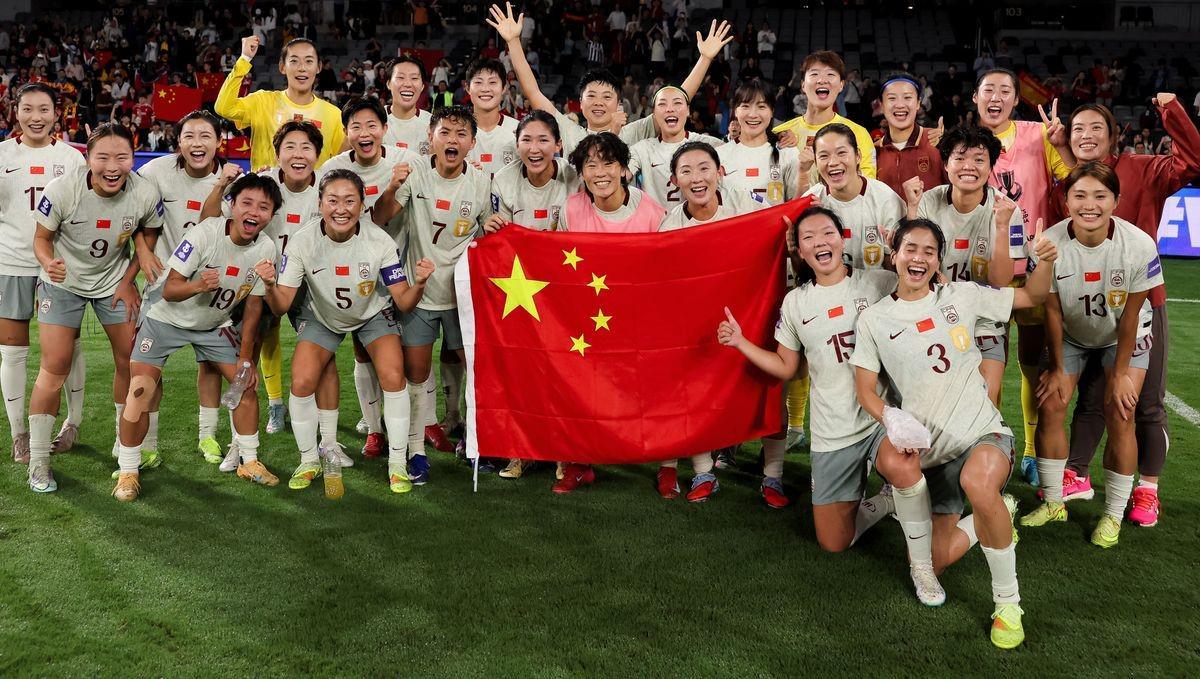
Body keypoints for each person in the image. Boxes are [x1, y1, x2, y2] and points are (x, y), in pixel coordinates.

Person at [852, 217, 1057, 649]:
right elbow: (865, 389)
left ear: (939, 261)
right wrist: (890, 417)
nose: (919, 258)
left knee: (977, 482)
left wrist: (1044, 261)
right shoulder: (874, 319)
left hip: (983, 434)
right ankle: (997, 512)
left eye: (929, 251)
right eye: (910, 249)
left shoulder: (962, 295)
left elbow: (1033, 296)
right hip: (934, 455)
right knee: (936, 560)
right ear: (894, 254)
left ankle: (1008, 605)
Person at [1046, 95, 1200, 524]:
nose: (1086, 135)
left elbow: (1194, 160)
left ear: (1115, 136)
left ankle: (1147, 490)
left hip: (1141, 303)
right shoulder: (1069, 184)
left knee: (1143, 402)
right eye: (1078, 129)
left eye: (1096, 127)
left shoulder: (1144, 168)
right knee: (1092, 397)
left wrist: (1172, 110)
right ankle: (1077, 474)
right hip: (1088, 308)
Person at [720, 205, 897, 546]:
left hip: (879, 420)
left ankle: (921, 557)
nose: (820, 242)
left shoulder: (879, 283)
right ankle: (883, 503)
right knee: (833, 542)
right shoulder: (795, 303)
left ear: (842, 240)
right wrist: (740, 342)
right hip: (833, 429)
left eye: (828, 233)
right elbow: (786, 366)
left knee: (903, 466)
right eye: (809, 237)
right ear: (799, 251)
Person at [261, 169, 434, 493]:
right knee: (301, 381)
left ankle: (397, 464)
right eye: (333, 200)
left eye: (350, 201)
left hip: (372, 313)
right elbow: (281, 305)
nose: (341, 209)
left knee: (393, 376)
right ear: (320, 204)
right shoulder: (302, 241)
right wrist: (270, 285)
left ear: (362, 204)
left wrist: (421, 283)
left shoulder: (379, 241)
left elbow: (403, 301)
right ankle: (309, 460)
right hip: (322, 315)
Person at [1022, 162, 1162, 548]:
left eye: (1100, 196)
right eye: (1080, 195)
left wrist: (1121, 375)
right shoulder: (1049, 244)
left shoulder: (1139, 245)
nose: (1090, 205)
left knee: (1121, 411)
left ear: (1116, 201)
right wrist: (1056, 367)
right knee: (1052, 402)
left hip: (1122, 337)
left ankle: (1113, 514)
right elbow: (1051, 311)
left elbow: (1130, 316)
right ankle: (1054, 502)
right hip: (1071, 335)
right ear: (1065, 201)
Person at [114, 174, 280, 501]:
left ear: (272, 215)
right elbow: (170, 289)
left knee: (244, 386)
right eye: (247, 203)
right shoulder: (205, 233)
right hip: (165, 318)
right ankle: (128, 471)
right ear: (231, 205)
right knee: (140, 389)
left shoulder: (266, 248)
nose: (254, 212)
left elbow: (253, 307)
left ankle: (249, 461)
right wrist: (199, 285)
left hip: (213, 324)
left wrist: (246, 358)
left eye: (264, 207)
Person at [27, 123, 163, 493]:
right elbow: (41, 238)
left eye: (122, 157)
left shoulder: (144, 192)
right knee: (55, 366)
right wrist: (49, 262)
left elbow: (149, 231)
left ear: (134, 158)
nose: (112, 166)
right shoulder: (62, 189)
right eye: (103, 157)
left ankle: (124, 440)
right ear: (87, 158)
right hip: (63, 282)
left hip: (113, 282)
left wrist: (129, 278)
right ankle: (39, 462)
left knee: (131, 361)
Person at [371, 105, 493, 485]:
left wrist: (490, 224)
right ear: (431, 137)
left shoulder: (482, 183)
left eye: (461, 134)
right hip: (418, 294)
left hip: (461, 297)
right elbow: (380, 217)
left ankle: (471, 439)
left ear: (472, 142)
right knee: (416, 374)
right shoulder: (416, 172)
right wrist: (391, 187)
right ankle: (416, 451)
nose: (452, 140)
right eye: (445, 132)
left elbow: (489, 234)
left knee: (471, 368)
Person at [973, 68, 1074, 487]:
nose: (995, 97)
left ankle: (1031, 451)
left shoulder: (1039, 135)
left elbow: (1073, 179)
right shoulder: (966, 143)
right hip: (985, 270)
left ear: (1016, 100)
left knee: (1032, 364)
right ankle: (986, 447)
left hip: (1034, 268)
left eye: (1005, 91)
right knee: (985, 368)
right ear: (975, 97)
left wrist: (1062, 144)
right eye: (988, 90)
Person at [553, 132, 666, 493]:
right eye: (591, 165)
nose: (600, 172)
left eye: (608, 163)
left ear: (623, 169)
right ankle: (579, 462)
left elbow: (665, 270)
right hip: (587, 317)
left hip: (638, 317)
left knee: (654, 390)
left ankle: (667, 463)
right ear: (582, 172)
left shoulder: (651, 211)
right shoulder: (571, 209)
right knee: (581, 387)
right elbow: (557, 261)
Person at [652, 141, 766, 500]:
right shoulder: (670, 225)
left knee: (763, 383)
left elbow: (775, 235)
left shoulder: (744, 206)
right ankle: (704, 472)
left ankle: (773, 475)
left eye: (704, 168)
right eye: (686, 171)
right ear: (674, 181)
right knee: (693, 387)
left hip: (745, 309)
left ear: (720, 172)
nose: (696, 178)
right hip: (696, 318)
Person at [489, 2, 733, 156]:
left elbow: (677, 99)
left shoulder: (635, 132)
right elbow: (534, 93)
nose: (598, 102)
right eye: (592, 96)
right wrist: (513, 42)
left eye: (607, 97)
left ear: (618, 104)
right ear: (580, 103)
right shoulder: (570, 132)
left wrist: (705, 59)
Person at [319, 96, 421, 459]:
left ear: (384, 129)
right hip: (350, 275)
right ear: (346, 133)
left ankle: (420, 426)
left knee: (406, 353)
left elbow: (438, 177)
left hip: (397, 269)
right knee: (363, 352)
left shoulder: (405, 161)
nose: (364, 133)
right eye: (355, 127)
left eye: (371, 125)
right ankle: (374, 428)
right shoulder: (332, 169)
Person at [482, 110, 582, 478]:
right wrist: (490, 225)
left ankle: (563, 450)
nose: (534, 148)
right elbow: (499, 238)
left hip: (565, 288)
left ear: (559, 145)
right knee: (522, 370)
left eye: (543, 140)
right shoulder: (504, 180)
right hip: (521, 289)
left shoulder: (574, 178)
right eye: (526, 140)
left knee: (564, 370)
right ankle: (520, 450)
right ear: (517, 144)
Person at [135, 110, 232, 468]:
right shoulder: (154, 172)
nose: (197, 143)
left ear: (219, 141)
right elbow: (131, 209)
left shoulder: (232, 181)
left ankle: (208, 436)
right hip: (162, 287)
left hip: (211, 288)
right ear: (178, 141)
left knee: (211, 364)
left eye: (206, 136)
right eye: (189, 136)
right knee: (149, 367)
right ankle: (148, 445)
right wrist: (143, 251)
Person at [901, 125, 1025, 403]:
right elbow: (911, 266)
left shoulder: (1006, 209)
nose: (969, 166)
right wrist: (911, 210)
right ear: (946, 164)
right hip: (932, 313)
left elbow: (1000, 281)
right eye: (959, 158)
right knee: (930, 401)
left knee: (985, 398)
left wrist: (1002, 227)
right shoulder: (927, 202)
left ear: (991, 167)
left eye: (979, 159)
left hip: (983, 318)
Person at [0, 83, 86, 464]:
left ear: (57, 114)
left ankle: (73, 422)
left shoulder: (71, 158)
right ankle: (19, 433)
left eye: (44, 109)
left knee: (68, 349)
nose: (36, 117)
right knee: (12, 351)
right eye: (28, 109)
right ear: (15, 111)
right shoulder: (2, 154)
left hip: (59, 265)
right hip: (12, 262)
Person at [215, 36, 345, 170]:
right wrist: (245, 59)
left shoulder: (334, 115)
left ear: (318, 67)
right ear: (282, 67)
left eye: (309, 61)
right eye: (294, 61)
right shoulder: (262, 102)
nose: (302, 68)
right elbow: (224, 108)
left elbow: (340, 163)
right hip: (265, 183)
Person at [802, 124, 904, 271]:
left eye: (841, 153)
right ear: (816, 163)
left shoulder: (887, 200)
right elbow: (803, 266)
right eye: (824, 156)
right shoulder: (810, 202)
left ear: (858, 156)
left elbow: (896, 269)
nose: (833, 162)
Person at [775, 51, 877, 181]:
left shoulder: (858, 133)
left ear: (841, 85)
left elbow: (867, 185)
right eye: (814, 74)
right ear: (803, 85)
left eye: (830, 74)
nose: (822, 80)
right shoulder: (781, 133)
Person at [628, 86, 723, 209]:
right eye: (662, 104)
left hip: (696, 220)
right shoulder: (642, 149)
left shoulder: (711, 145)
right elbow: (621, 176)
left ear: (688, 110)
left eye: (677, 103)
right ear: (654, 114)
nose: (670, 109)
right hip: (656, 220)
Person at [875, 73, 945, 197]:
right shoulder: (873, 151)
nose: (900, 105)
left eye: (907, 97)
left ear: (918, 103)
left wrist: (949, 150)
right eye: (892, 98)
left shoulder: (937, 142)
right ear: (881, 105)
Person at [383, 55, 432, 155]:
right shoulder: (374, 118)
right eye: (400, 77)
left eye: (414, 78)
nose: (408, 84)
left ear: (422, 86)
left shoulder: (433, 123)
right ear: (388, 84)